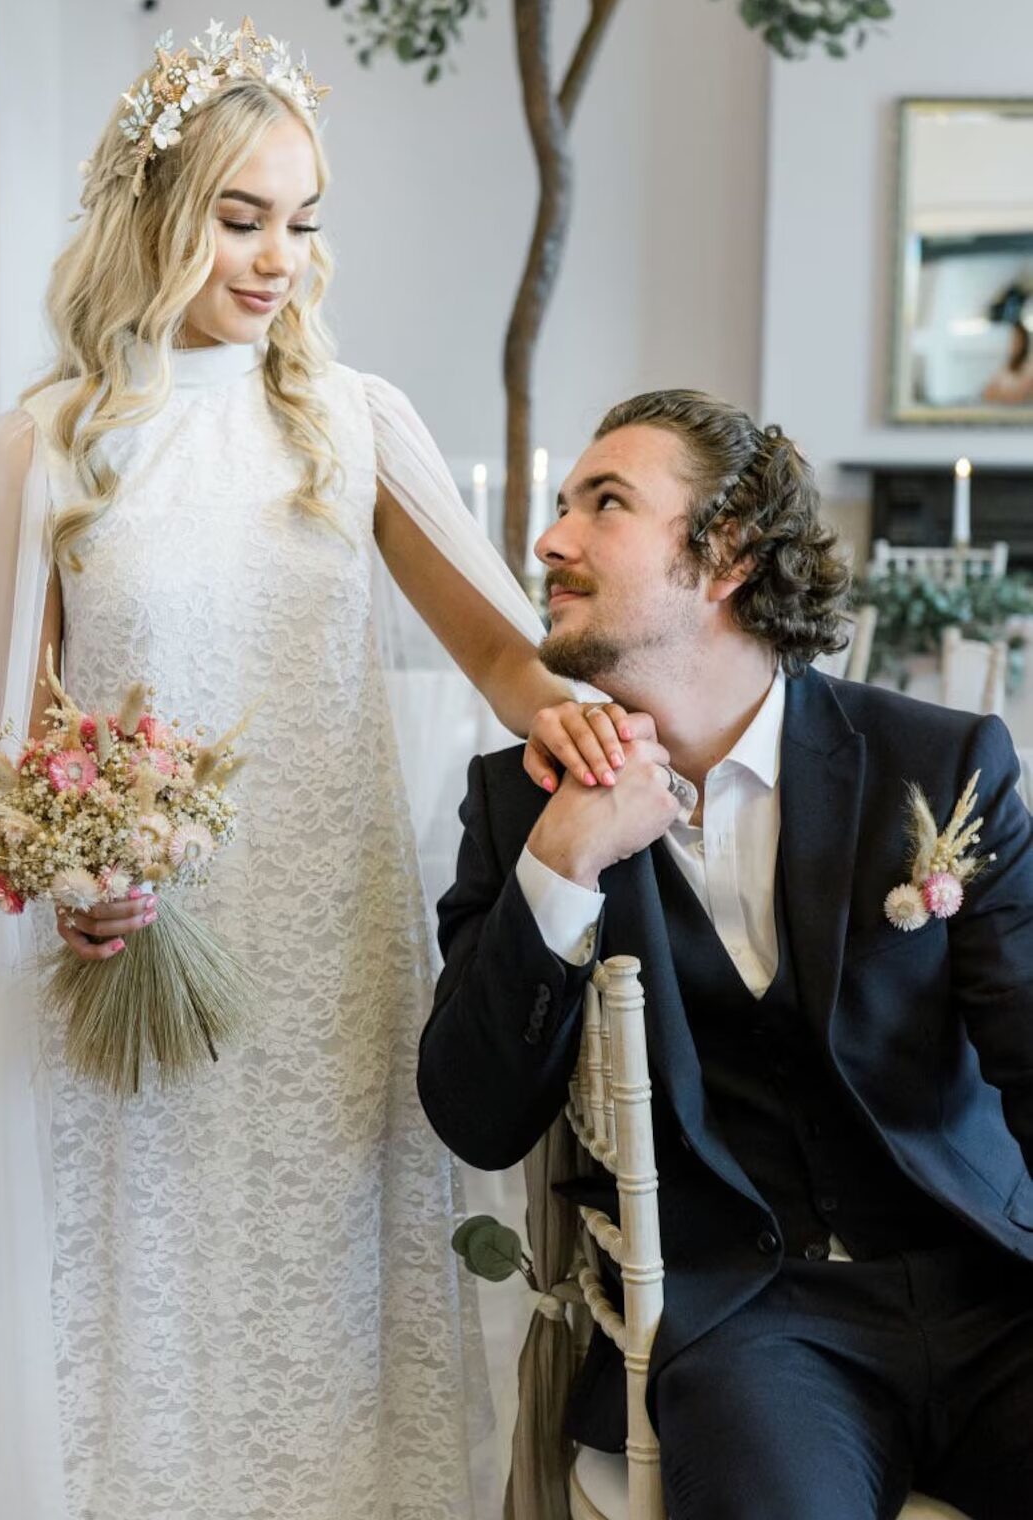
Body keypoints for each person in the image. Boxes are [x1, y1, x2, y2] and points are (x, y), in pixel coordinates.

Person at [0, 20, 626, 1520]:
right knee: (147, 1290)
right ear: (153, 214)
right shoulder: (47, 451)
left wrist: (557, 713)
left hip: (331, 943)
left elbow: (501, 649)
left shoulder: (352, 424)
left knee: (327, 1280)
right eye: (240, 220)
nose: (276, 259)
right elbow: (14, 753)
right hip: (147, 955)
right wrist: (72, 888)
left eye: (301, 222)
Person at [419, 388, 1033, 1520]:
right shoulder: (521, 805)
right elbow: (472, 1109)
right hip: (751, 1327)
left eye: (604, 503)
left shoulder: (936, 761)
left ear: (729, 557)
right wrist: (562, 863)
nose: (549, 539)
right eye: (559, 506)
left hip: (989, 1291)